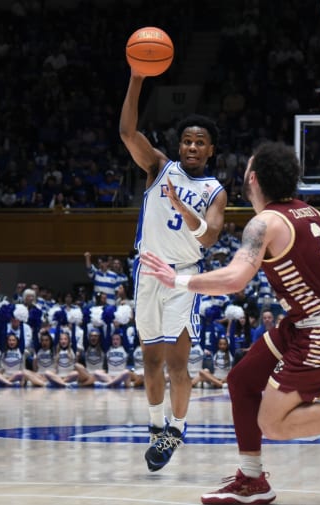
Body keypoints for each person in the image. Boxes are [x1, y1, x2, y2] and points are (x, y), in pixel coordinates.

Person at [140, 141, 320, 504]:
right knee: (242, 380)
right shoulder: (309, 213)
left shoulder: (262, 224)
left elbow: (234, 280)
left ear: (254, 178)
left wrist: (178, 280)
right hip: (310, 322)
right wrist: (305, 290)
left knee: (273, 423)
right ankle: (252, 480)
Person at [120, 66, 228, 472]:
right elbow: (128, 133)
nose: (192, 147)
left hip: (184, 277)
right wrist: (136, 79)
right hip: (148, 271)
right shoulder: (158, 167)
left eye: (200, 142)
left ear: (211, 150)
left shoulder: (213, 190)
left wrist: (183, 209)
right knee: (149, 363)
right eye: (186, 141)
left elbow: (210, 237)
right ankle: (155, 428)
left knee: (177, 363)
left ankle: (177, 429)